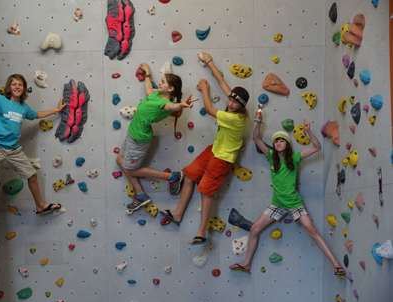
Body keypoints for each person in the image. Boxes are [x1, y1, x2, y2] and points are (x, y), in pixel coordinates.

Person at [228, 116, 346, 275]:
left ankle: (336, 263)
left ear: (287, 144)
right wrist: (258, 121)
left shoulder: (294, 158)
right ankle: (246, 264)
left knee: (311, 230)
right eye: (276, 141)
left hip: (294, 203)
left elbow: (317, 147)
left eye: (281, 141)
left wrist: (308, 131)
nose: (278, 143)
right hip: (277, 203)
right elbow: (256, 138)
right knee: (254, 229)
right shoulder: (271, 157)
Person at [159, 53, 249, 244]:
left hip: (223, 158)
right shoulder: (234, 105)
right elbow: (223, 83)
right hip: (214, 149)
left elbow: (209, 110)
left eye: (235, 103)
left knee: (206, 191)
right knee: (190, 175)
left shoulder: (235, 117)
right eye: (230, 100)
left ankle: (202, 232)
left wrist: (205, 91)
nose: (230, 104)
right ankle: (177, 213)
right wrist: (209, 62)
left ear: (242, 107)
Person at [0, 74, 67, 215]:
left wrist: (56, 110)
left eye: (20, 85)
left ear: (24, 89)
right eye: (14, 84)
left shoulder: (24, 108)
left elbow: (37, 115)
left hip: (13, 149)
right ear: (9, 87)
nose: (17, 87)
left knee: (32, 175)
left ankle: (40, 205)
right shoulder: (0, 100)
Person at [116, 63, 198, 213]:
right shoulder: (156, 94)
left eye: (163, 82)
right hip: (132, 133)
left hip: (139, 139)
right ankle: (141, 195)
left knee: (132, 171)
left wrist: (181, 105)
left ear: (170, 89)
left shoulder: (165, 103)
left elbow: (173, 107)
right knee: (120, 161)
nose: (159, 83)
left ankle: (173, 177)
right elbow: (148, 89)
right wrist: (147, 73)